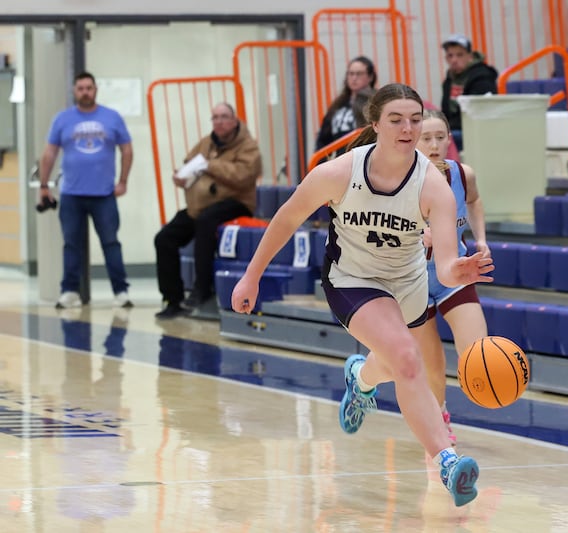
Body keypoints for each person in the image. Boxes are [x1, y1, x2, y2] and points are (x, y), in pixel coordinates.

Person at [230, 83, 493, 507]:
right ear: (375, 124)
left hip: (406, 285)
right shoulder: (338, 172)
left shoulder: (433, 187)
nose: (407, 128)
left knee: (392, 362)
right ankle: (448, 461)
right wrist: (251, 276)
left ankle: (360, 378)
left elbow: (443, 263)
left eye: (414, 119)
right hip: (351, 280)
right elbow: (285, 219)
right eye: (396, 119)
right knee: (408, 359)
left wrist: (457, 269)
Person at [415, 109, 490, 445]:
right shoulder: (396, 182)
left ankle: (487, 390)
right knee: (432, 365)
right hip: (410, 280)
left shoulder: (462, 174)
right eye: (426, 138)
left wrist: (482, 239)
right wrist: (418, 234)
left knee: (479, 353)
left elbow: (473, 202)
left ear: (449, 139)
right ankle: (438, 421)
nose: (434, 145)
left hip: (453, 272)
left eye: (440, 137)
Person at [154, 102, 262, 319]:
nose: (219, 122)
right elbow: (190, 163)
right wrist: (181, 175)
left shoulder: (248, 146)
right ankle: (172, 299)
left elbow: (243, 176)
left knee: (205, 222)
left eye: (223, 117)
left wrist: (210, 166)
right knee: (164, 238)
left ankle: (202, 289)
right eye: (215, 117)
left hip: (236, 203)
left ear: (234, 121)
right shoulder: (206, 143)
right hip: (200, 205)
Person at [38, 71, 134, 310]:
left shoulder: (112, 118)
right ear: (74, 91)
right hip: (71, 194)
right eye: (80, 88)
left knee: (111, 242)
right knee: (71, 244)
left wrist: (122, 181)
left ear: (96, 90)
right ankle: (69, 291)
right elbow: (49, 153)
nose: (85, 92)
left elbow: (127, 150)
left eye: (89, 88)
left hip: (104, 195)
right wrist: (43, 185)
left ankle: (120, 292)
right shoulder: (62, 119)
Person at [440, 33, 498, 152]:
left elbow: (477, 111)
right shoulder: (449, 79)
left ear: (470, 56)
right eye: (450, 56)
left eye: (459, 55)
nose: (454, 60)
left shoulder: (482, 77)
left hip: (474, 130)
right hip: (455, 129)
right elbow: (446, 110)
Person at [315, 56, 377, 153]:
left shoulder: (376, 100)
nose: (354, 78)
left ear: (370, 77)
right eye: (351, 74)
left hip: (364, 157)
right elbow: (323, 138)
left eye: (359, 74)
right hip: (340, 159)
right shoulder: (338, 104)